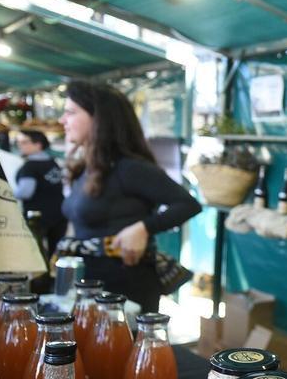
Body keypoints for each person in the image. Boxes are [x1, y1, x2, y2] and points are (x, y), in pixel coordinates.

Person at [59, 81, 200, 312]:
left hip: (124, 289)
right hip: (88, 285)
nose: (62, 121)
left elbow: (187, 204)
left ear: (99, 119)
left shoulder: (129, 168)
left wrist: (143, 228)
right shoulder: (88, 168)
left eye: (71, 112)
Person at [14, 128, 67, 259]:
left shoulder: (30, 167)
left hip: (38, 218)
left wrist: (9, 193)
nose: (20, 145)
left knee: (36, 254)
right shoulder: (52, 162)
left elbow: (26, 192)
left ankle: (41, 279)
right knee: (55, 254)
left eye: (25, 142)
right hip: (59, 214)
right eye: (19, 142)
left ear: (38, 144)